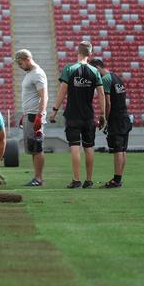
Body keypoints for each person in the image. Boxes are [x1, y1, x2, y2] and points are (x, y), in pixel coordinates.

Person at [49, 41, 106, 189]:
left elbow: (62, 91)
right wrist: (103, 114)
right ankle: (89, 180)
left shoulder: (69, 69)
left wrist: (54, 110)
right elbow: (101, 94)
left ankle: (76, 180)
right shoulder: (94, 71)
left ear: (78, 52)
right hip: (88, 116)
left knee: (74, 146)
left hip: (72, 115)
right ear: (90, 54)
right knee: (89, 147)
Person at [91, 58, 132, 188]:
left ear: (97, 68)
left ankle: (116, 180)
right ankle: (119, 178)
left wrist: (105, 118)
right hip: (125, 117)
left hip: (116, 119)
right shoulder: (116, 77)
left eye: (94, 72)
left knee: (118, 150)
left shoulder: (106, 79)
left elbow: (107, 102)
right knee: (123, 150)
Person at [14, 49, 48, 187]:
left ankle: (39, 178)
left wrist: (39, 115)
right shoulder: (30, 74)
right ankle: (36, 177)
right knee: (33, 147)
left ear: (27, 59)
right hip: (30, 114)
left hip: (35, 115)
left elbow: (44, 96)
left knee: (37, 147)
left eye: (20, 63)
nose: (19, 66)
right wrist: (25, 114)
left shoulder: (37, 74)